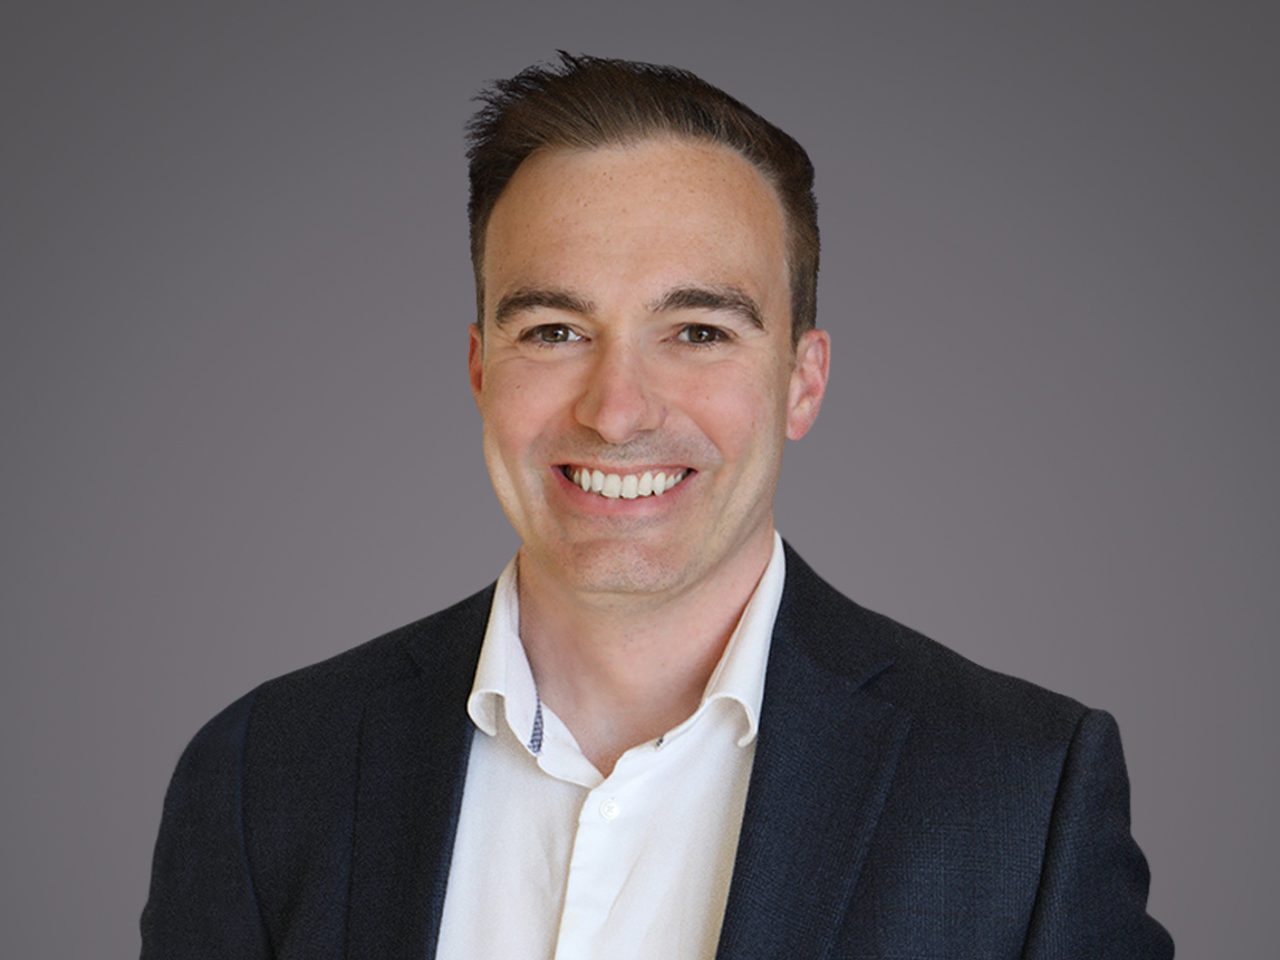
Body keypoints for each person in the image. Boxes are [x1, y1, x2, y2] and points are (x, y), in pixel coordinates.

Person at [141, 53, 1173, 959]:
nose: (617, 410)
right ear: (479, 370)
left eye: (696, 332)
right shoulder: (258, 778)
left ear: (801, 382)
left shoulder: (1018, 796)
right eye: (552, 330)